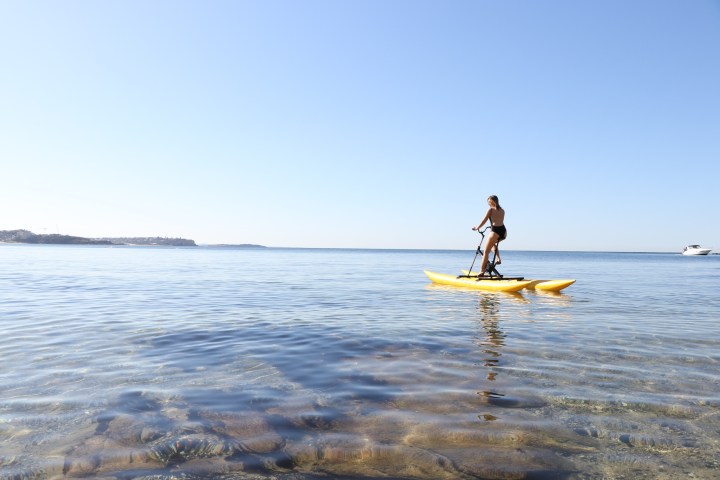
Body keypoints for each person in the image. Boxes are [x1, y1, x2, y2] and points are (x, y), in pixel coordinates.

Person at [472, 195, 507, 275]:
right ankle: (498, 258)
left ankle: (481, 271)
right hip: (503, 231)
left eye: (489, 202)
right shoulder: (502, 210)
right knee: (493, 244)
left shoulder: (490, 210)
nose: (489, 204)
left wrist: (477, 227)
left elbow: (484, 220)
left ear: (492, 201)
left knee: (486, 252)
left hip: (494, 231)